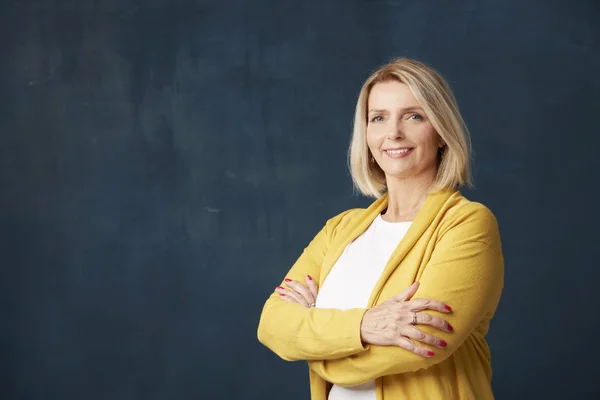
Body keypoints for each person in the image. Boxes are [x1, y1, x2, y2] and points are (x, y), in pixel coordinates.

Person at [257, 57, 504, 400]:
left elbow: (421, 344)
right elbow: (272, 324)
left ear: (441, 131)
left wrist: (317, 349)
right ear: (367, 133)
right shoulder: (341, 230)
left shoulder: (466, 224)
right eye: (379, 118)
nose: (394, 133)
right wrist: (363, 326)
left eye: (413, 116)